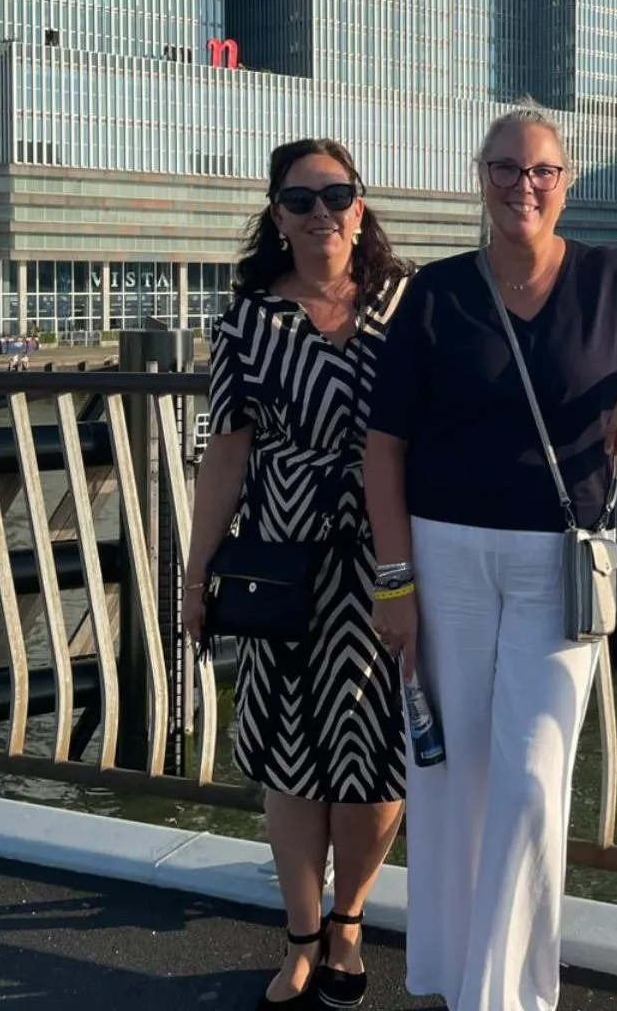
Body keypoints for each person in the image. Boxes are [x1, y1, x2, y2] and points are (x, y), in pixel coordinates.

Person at [364, 105, 617, 1010]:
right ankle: (456, 980)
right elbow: (383, 447)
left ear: (566, 182)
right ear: (481, 177)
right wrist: (395, 582)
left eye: (540, 171)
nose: (521, 186)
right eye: (504, 168)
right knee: (451, 781)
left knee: (533, 780)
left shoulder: (613, 283)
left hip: (556, 564)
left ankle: (504, 997)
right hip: (445, 559)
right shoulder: (437, 293)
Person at [181, 138, 410, 1010]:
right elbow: (225, 457)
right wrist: (196, 578)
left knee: (377, 751)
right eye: (300, 200)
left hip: (387, 556)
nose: (321, 214)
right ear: (275, 214)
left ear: (362, 206)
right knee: (290, 753)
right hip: (282, 556)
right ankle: (303, 935)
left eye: (336, 195)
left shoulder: (405, 303)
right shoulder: (246, 317)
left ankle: (349, 920)